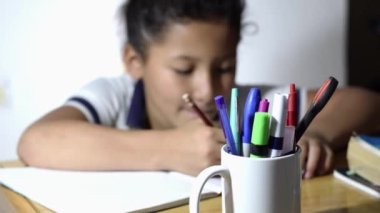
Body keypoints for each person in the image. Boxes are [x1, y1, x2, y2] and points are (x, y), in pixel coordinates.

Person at [17, 0, 380, 179]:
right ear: (133, 60)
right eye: (183, 69)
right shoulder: (116, 95)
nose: (208, 90)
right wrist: (168, 149)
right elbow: (37, 141)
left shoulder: (249, 109)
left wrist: (311, 131)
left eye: (224, 67)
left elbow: (365, 104)